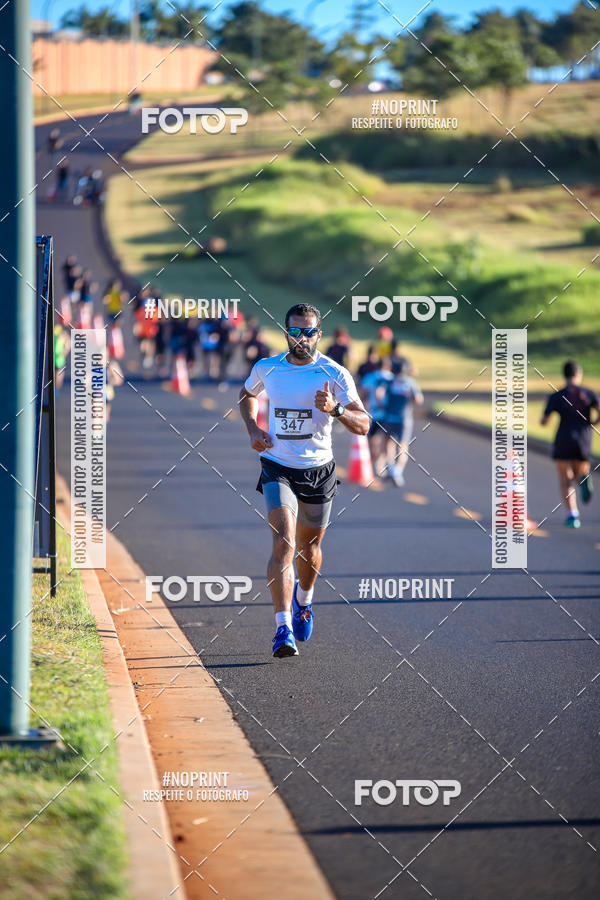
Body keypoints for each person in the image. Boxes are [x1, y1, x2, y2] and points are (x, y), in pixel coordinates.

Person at [240, 304, 369, 658]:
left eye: (309, 332)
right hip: (277, 464)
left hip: (318, 470)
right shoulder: (268, 367)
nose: (302, 339)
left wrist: (336, 409)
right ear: (285, 333)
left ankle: (304, 601)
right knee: (282, 540)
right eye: (295, 332)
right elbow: (247, 395)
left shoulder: (335, 373)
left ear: (318, 334)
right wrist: (253, 428)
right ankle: (282, 628)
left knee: (308, 550)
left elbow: (364, 423)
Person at [541, 360, 599, 528]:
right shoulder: (589, 393)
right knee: (581, 470)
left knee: (565, 479)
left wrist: (545, 420)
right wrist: (593, 422)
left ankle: (573, 514)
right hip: (583, 439)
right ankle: (582, 478)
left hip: (563, 439)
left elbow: (545, 420)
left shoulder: (557, 395)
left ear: (565, 375)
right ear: (578, 374)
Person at [380, 360, 423, 487]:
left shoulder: (390, 381)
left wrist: (383, 405)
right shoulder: (410, 383)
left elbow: (380, 395)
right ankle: (398, 471)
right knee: (403, 446)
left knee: (388, 444)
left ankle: (391, 467)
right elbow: (418, 400)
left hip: (389, 417)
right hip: (404, 419)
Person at [359, 356, 394, 477]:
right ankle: (383, 467)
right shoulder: (392, 378)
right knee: (387, 442)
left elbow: (363, 393)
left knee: (371, 439)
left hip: (372, 413)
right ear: (389, 367)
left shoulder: (370, 376)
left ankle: (372, 460)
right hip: (388, 415)